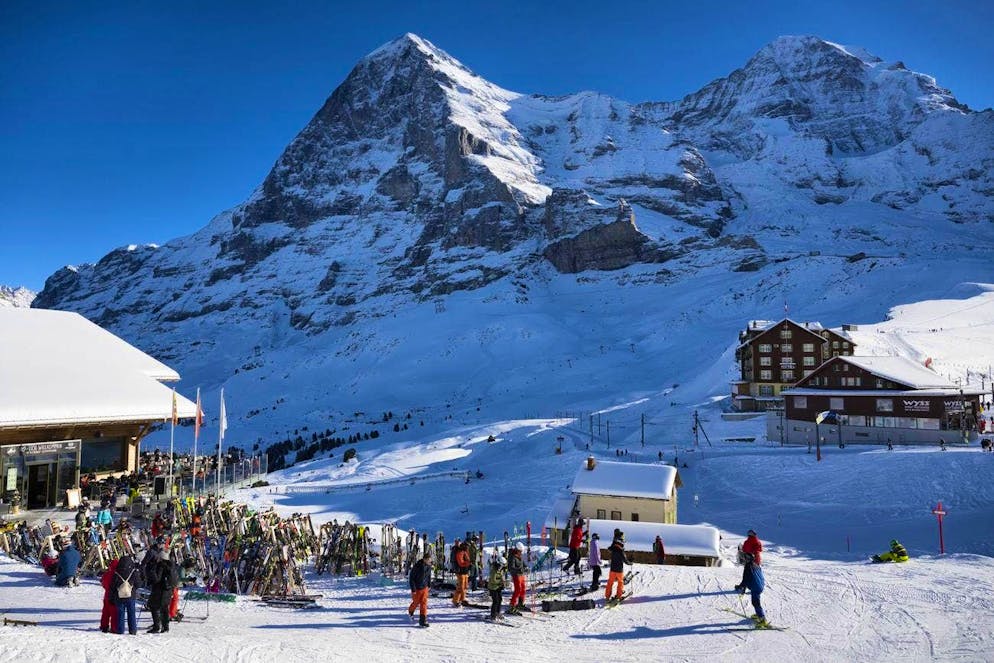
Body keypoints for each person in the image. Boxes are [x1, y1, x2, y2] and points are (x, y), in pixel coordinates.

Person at [145, 547, 177, 633]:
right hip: (168, 590)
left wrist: (152, 572)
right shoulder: (171, 565)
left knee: (153, 606)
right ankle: (165, 627)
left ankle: (156, 626)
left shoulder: (161, 565)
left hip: (160, 590)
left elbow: (157, 579)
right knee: (164, 608)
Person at [111, 553, 141, 635]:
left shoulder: (117, 572)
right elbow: (138, 584)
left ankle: (120, 630)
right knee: (131, 613)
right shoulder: (133, 572)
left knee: (120, 614)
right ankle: (133, 630)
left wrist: (111, 597)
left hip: (119, 596)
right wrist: (133, 588)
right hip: (131, 595)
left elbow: (113, 586)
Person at [741, 551, 770, 628]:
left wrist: (741, 587)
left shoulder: (747, 566)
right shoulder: (756, 565)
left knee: (755, 603)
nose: (744, 559)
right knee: (756, 601)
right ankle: (758, 614)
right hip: (760, 585)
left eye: (745, 558)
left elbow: (745, 579)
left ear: (747, 559)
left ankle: (762, 619)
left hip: (755, 586)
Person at [408, 550, 432, 627]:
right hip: (417, 588)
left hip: (424, 588)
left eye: (430, 560)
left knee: (424, 603)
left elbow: (429, 576)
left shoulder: (429, 566)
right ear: (424, 559)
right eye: (428, 560)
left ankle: (422, 620)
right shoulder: (417, 566)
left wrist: (429, 585)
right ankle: (410, 611)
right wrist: (413, 589)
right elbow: (411, 578)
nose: (430, 561)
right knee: (416, 602)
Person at [734, 530, 762, 594]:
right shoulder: (758, 541)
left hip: (750, 561)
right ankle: (756, 587)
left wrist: (741, 548)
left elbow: (745, 550)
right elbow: (759, 549)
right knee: (754, 575)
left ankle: (743, 587)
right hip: (757, 560)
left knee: (746, 574)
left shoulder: (748, 542)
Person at [604, 532, 631, 601]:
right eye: (623, 541)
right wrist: (630, 563)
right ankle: (619, 596)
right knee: (620, 582)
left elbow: (610, 549)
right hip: (619, 570)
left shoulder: (613, 548)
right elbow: (625, 560)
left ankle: (607, 596)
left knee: (610, 582)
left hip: (612, 569)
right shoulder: (621, 551)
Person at [99, 557, 121, 632]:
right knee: (114, 613)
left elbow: (103, 583)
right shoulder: (118, 575)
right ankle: (114, 628)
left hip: (106, 595)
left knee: (105, 612)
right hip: (114, 596)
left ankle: (104, 626)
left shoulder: (106, 574)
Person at [486, 550, 507, 621]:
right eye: (502, 565)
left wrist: (503, 582)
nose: (502, 566)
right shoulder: (494, 569)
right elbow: (493, 580)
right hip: (492, 587)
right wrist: (500, 583)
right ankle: (493, 615)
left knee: (500, 599)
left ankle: (498, 612)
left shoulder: (500, 569)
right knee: (495, 601)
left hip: (498, 587)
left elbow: (501, 577)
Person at [507, 542, 527, 614]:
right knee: (518, 590)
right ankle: (512, 605)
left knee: (523, 589)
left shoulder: (519, 555)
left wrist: (526, 567)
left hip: (521, 574)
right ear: (517, 549)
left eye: (521, 551)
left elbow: (522, 563)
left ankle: (520, 603)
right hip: (516, 575)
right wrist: (519, 570)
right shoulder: (512, 556)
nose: (521, 552)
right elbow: (511, 568)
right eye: (520, 551)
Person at [452, 542, 471, 606]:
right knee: (460, 587)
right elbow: (461, 563)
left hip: (465, 571)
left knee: (465, 586)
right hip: (460, 572)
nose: (468, 548)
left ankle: (462, 599)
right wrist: (468, 563)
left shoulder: (464, 552)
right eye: (467, 546)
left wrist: (468, 564)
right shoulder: (460, 552)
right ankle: (456, 601)